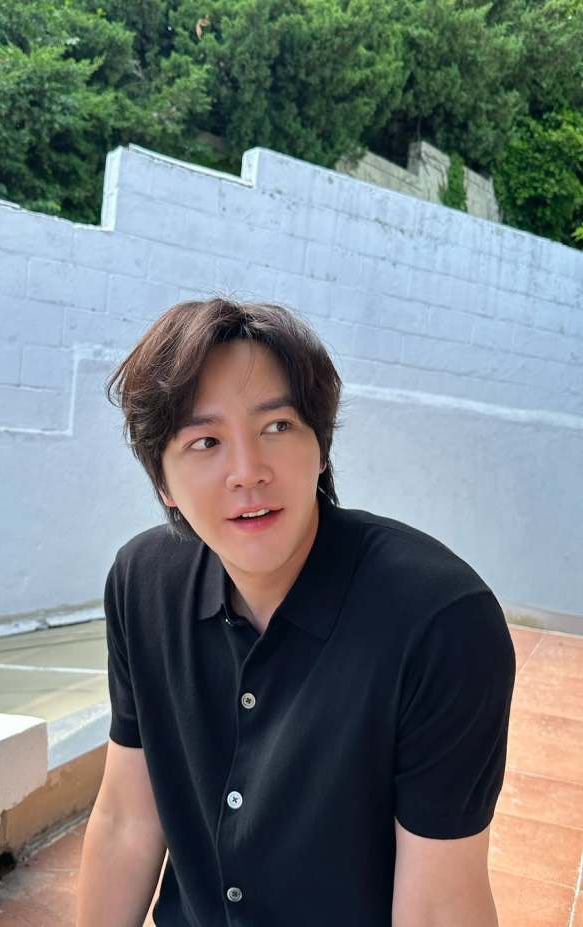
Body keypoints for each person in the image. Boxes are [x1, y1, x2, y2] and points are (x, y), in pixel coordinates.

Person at [76, 298, 516, 927]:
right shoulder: (141, 583)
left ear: (321, 446)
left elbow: (441, 902)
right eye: (205, 441)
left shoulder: (440, 622)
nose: (247, 472)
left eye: (277, 427)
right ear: (164, 484)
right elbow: (126, 818)